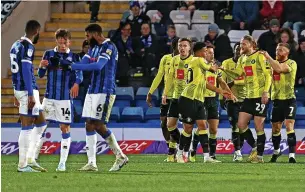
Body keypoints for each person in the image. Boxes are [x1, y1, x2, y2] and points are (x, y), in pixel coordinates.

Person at [71, 24, 128, 172]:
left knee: (97, 123)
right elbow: (83, 63)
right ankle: (92, 163)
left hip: (105, 90)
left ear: (96, 34)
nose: (86, 39)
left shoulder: (109, 46)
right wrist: (67, 64)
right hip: (92, 90)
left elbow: (98, 66)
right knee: (89, 124)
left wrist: (73, 67)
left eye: (87, 36)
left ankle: (120, 155)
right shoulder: (93, 48)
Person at [219, 35, 272, 163]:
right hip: (248, 97)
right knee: (241, 124)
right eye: (241, 44)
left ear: (251, 44)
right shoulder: (242, 59)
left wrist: (266, 92)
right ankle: (254, 147)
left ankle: (259, 156)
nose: (241, 46)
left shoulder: (260, 56)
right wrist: (224, 69)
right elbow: (238, 73)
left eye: (244, 44)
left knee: (259, 127)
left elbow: (268, 75)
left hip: (259, 96)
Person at [38, 29, 83, 171]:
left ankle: (62, 163)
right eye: (60, 41)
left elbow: (79, 75)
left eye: (65, 41)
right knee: (40, 127)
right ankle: (32, 159)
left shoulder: (74, 57)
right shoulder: (48, 54)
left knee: (64, 128)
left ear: (69, 41)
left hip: (64, 99)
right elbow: (40, 74)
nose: (62, 44)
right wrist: (41, 66)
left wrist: (76, 84)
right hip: (49, 97)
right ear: (56, 40)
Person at [180, 42, 229, 163]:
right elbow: (211, 68)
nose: (206, 53)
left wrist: (220, 91)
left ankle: (207, 157)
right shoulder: (197, 60)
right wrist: (221, 68)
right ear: (197, 51)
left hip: (199, 100)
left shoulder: (197, 65)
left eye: (208, 51)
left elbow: (205, 83)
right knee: (188, 129)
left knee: (202, 126)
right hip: (188, 99)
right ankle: (180, 153)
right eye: (204, 51)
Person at [10, 20, 47, 172]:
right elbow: (25, 69)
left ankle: (30, 158)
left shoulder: (15, 45)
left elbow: (14, 70)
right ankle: (22, 165)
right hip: (27, 90)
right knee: (26, 127)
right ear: (36, 31)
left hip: (21, 89)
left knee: (41, 122)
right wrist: (30, 94)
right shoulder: (28, 46)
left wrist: (15, 91)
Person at [190, 45, 234, 162]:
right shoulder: (201, 67)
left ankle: (212, 155)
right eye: (209, 52)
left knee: (213, 129)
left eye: (212, 53)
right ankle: (193, 150)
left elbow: (222, 82)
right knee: (201, 127)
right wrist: (219, 90)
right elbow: (204, 84)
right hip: (202, 99)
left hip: (213, 100)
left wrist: (230, 94)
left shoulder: (215, 67)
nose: (211, 54)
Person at [260, 43, 297, 163]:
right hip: (276, 100)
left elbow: (280, 69)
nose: (277, 52)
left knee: (289, 125)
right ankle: (276, 151)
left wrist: (268, 57)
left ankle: (292, 155)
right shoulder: (271, 64)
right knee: (275, 129)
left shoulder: (292, 63)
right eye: (276, 49)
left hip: (289, 99)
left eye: (281, 50)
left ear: (287, 52)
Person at [161, 38, 194, 162]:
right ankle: (184, 147)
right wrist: (165, 94)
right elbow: (169, 78)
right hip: (175, 97)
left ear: (189, 48)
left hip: (188, 98)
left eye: (185, 45)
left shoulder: (194, 61)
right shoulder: (174, 60)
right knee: (170, 125)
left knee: (187, 127)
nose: (182, 48)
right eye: (180, 46)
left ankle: (184, 152)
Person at [146, 38, 179, 159]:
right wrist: (150, 92)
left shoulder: (188, 60)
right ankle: (171, 147)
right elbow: (159, 75)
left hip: (181, 96)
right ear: (175, 46)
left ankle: (181, 149)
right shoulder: (166, 59)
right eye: (179, 45)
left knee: (176, 123)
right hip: (167, 96)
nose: (182, 48)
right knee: (164, 123)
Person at [219, 43, 246, 162]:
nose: (238, 51)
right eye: (237, 49)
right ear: (234, 51)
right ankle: (237, 152)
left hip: (245, 99)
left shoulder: (246, 62)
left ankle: (240, 148)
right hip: (231, 99)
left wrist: (235, 82)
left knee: (243, 127)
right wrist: (221, 97)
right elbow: (222, 81)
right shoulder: (226, 63)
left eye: (241, 49)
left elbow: (247, 80)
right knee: (234, 126)